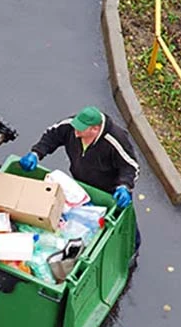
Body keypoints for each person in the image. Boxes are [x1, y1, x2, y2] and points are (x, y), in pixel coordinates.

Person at [20, 105, 141, 252]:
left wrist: (125, 186)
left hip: (110, 191)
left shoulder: (115, 140)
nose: (76, 134)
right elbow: (52, 136)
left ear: (95, 129)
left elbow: (130, 166)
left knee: (123, 224)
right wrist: (36, 153)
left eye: (80, 130)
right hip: (81, 183)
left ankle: (132, 247)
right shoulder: (71, 126)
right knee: (83, 220)